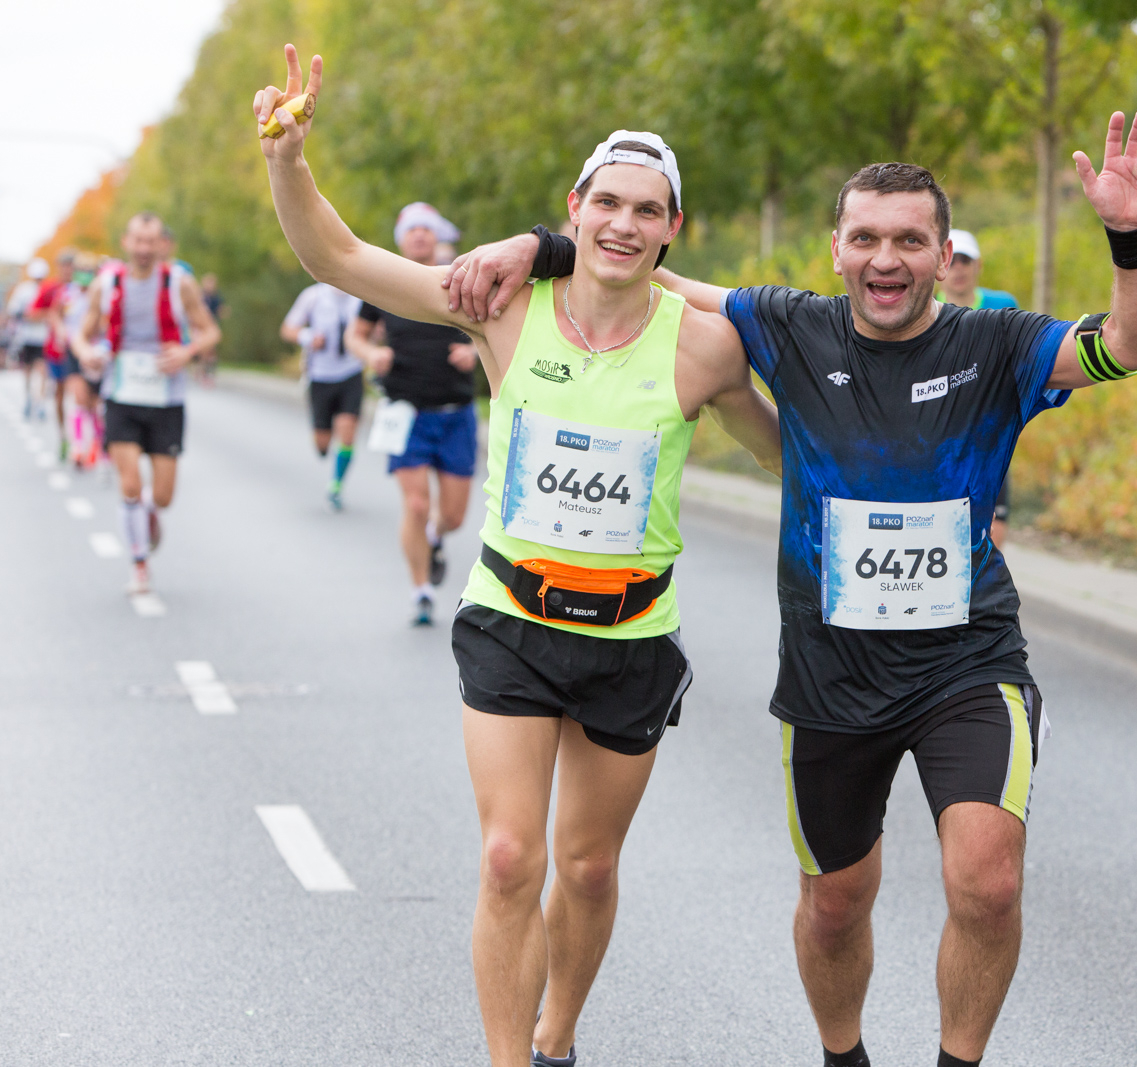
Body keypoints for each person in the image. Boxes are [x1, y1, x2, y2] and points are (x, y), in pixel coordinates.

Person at [454, 110, 1137, 1067]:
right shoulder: (787, 325)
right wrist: (539, 245)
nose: (887, 259)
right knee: (835, 904)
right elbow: (639, 269)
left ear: (942, 254)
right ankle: (844, 1055)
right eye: (866, 238)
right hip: (832, 674)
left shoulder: (998, 344)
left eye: (909, 240)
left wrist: (1130, 237)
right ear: (836, 249)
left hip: (968, 659)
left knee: (988, 881)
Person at [253, 46, 779, 1067]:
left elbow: (782, 455)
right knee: (507, 857)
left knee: (586, 868)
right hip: (512, 619)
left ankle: (557, 1035)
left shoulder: (704, 345)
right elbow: (343, 261)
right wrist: (289, 161)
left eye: (647, 210)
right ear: (574, 210)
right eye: (607, 202)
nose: (623, 223)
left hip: (631, 632)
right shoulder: (503, 307)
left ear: (672, 228)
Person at [71, 213, 222, 594]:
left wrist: (186, 352)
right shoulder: (107, 284)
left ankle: (150, 515)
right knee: (131, 484)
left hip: (167, 399)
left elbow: (210, 331)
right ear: (126, 242)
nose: (143, 248)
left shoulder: (179, 283)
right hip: (121, 395)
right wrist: (86, 353)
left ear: (161, 245)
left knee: (164, 496)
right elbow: (81, 334)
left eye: (150, 241)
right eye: (137, 241)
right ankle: (139, 564)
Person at [344, 201, 479, 624]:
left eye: (426, 229)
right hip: (405, 412)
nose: (419, 235)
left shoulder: (460, 278)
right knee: (417, 504)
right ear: (401, 239)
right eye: (412, 229)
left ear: (437, 236)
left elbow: (497, 330)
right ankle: (421, 590)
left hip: (455, 411)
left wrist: (476, 352)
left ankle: (436, 537)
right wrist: (371, 354)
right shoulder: (384, 283)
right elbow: (355, 336)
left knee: (453, 517)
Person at [939, 230, 1021, 548]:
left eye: (966, 261)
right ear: (940, 265)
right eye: (952, 261)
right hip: (941, 434)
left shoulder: (1002, 306)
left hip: (989, 431)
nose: (959, 269)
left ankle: (985, 576)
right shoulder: (922, 311)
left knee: (995, 522)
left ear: (978, 266)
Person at [281, 278, 363, 507]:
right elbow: (287, 329)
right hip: (320, 376)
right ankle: (325, 439)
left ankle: (336, 485)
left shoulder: (360, 296)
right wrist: (308, 337)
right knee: (322, 444)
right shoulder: (313, 296)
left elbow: (374, 327)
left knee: (347, 430)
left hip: (351, 373)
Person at [39, 252, 105, 468]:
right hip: (73, 352)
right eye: (80, 271)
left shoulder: (100, 293)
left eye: (88, 271)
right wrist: (61, 332)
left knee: (94, 404)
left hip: (95, 353)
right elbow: (54, 314)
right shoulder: (68, 293)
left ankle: (96, 444)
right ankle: (78, 447)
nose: (84, 275)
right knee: (78, 397)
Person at [9, 258, 51, 420]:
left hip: (43, 337)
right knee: (27, 371)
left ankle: (40, 403)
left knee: (42, 371)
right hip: (26, 337)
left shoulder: (48, 289)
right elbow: (14, 311)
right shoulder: (24, 290)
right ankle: (28, 398)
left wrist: (43, 316)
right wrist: (30, 316)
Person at [198, 273, 228, 384]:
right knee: (203, 350)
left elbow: (221, 310)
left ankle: (210, 372)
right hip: (201, 326)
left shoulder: (216, 297)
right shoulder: (200, 295)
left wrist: (223, 312)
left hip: (212, 326)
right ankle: (202, 372)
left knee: (211, 350)